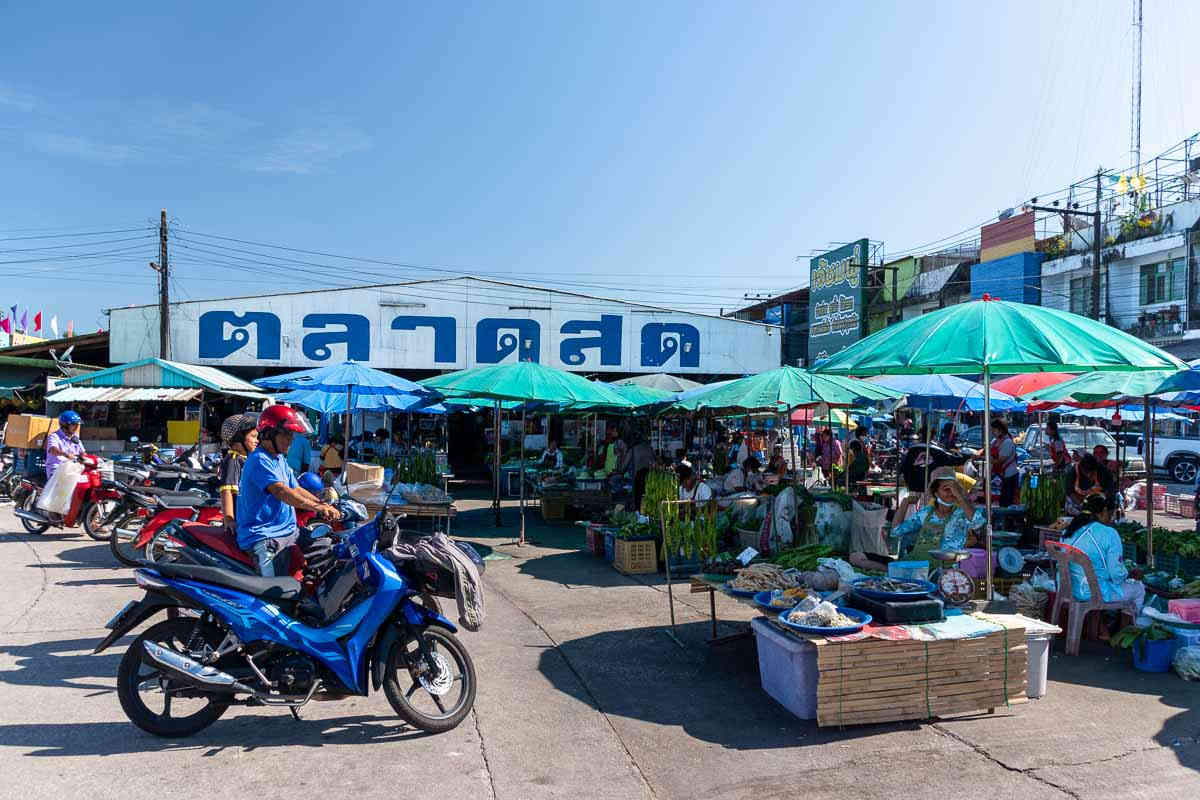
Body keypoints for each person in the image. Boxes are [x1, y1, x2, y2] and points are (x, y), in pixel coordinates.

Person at [237, 405, 340, 577]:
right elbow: (282, 492)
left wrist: (322, 503)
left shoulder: (279, 459)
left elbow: (296, 488)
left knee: (328, 547)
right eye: (286, 434)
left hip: (290, 531)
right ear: (269, 434)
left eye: (292, 435)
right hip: (265, 536)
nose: (290, 440)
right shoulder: (259, 460)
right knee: (272, 592)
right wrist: (317, 508)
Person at [1058, 494, 1145, 620]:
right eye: (1111, 514)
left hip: (1067, 588)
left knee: (1104, 580)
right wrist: (1130, 574)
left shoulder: (1068, 531)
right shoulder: (1109, 533)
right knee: (1138, 588)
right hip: (1094, 593)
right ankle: (1126, 630)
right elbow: (1117, 575)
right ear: (1104, 511)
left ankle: (1100, 628)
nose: (1111, 519)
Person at [892, 466, 986, 563]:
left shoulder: (962, 514)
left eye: (954, 488)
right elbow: (896, 531)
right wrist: (905, 502)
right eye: (946, 489)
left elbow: (978, 522)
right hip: (919, 565)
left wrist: (960, 496)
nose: (952, 493)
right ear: (936, 493)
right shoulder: (926, 513)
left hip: (948, 569)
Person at [217, 414, 258, 534]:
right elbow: (227, 490)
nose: (257, 441)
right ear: (239, 439)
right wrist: (229, 520)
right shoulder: (233, 460)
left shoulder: (245, 459)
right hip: (239, 522)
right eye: (253, 436)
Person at [45, 410, 86, 480]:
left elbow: (83, 453)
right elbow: (53, 450)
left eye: (77, 425)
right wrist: (66, 455)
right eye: (73, 424)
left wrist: (88, 459)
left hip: (73, 469)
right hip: (57, 469)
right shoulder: (54, 436)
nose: (76, 427)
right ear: (64, 425)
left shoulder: (76, 439)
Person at [990, 418, 1019, 506]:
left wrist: (988, 459)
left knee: (1006, 501)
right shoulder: (994, 441)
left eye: (994, 430)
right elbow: (986, 450)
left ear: (1000, 430)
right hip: (999, 476)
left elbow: (1000, 461)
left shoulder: (1007, 442)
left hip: (1008, 476)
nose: (992, 432)